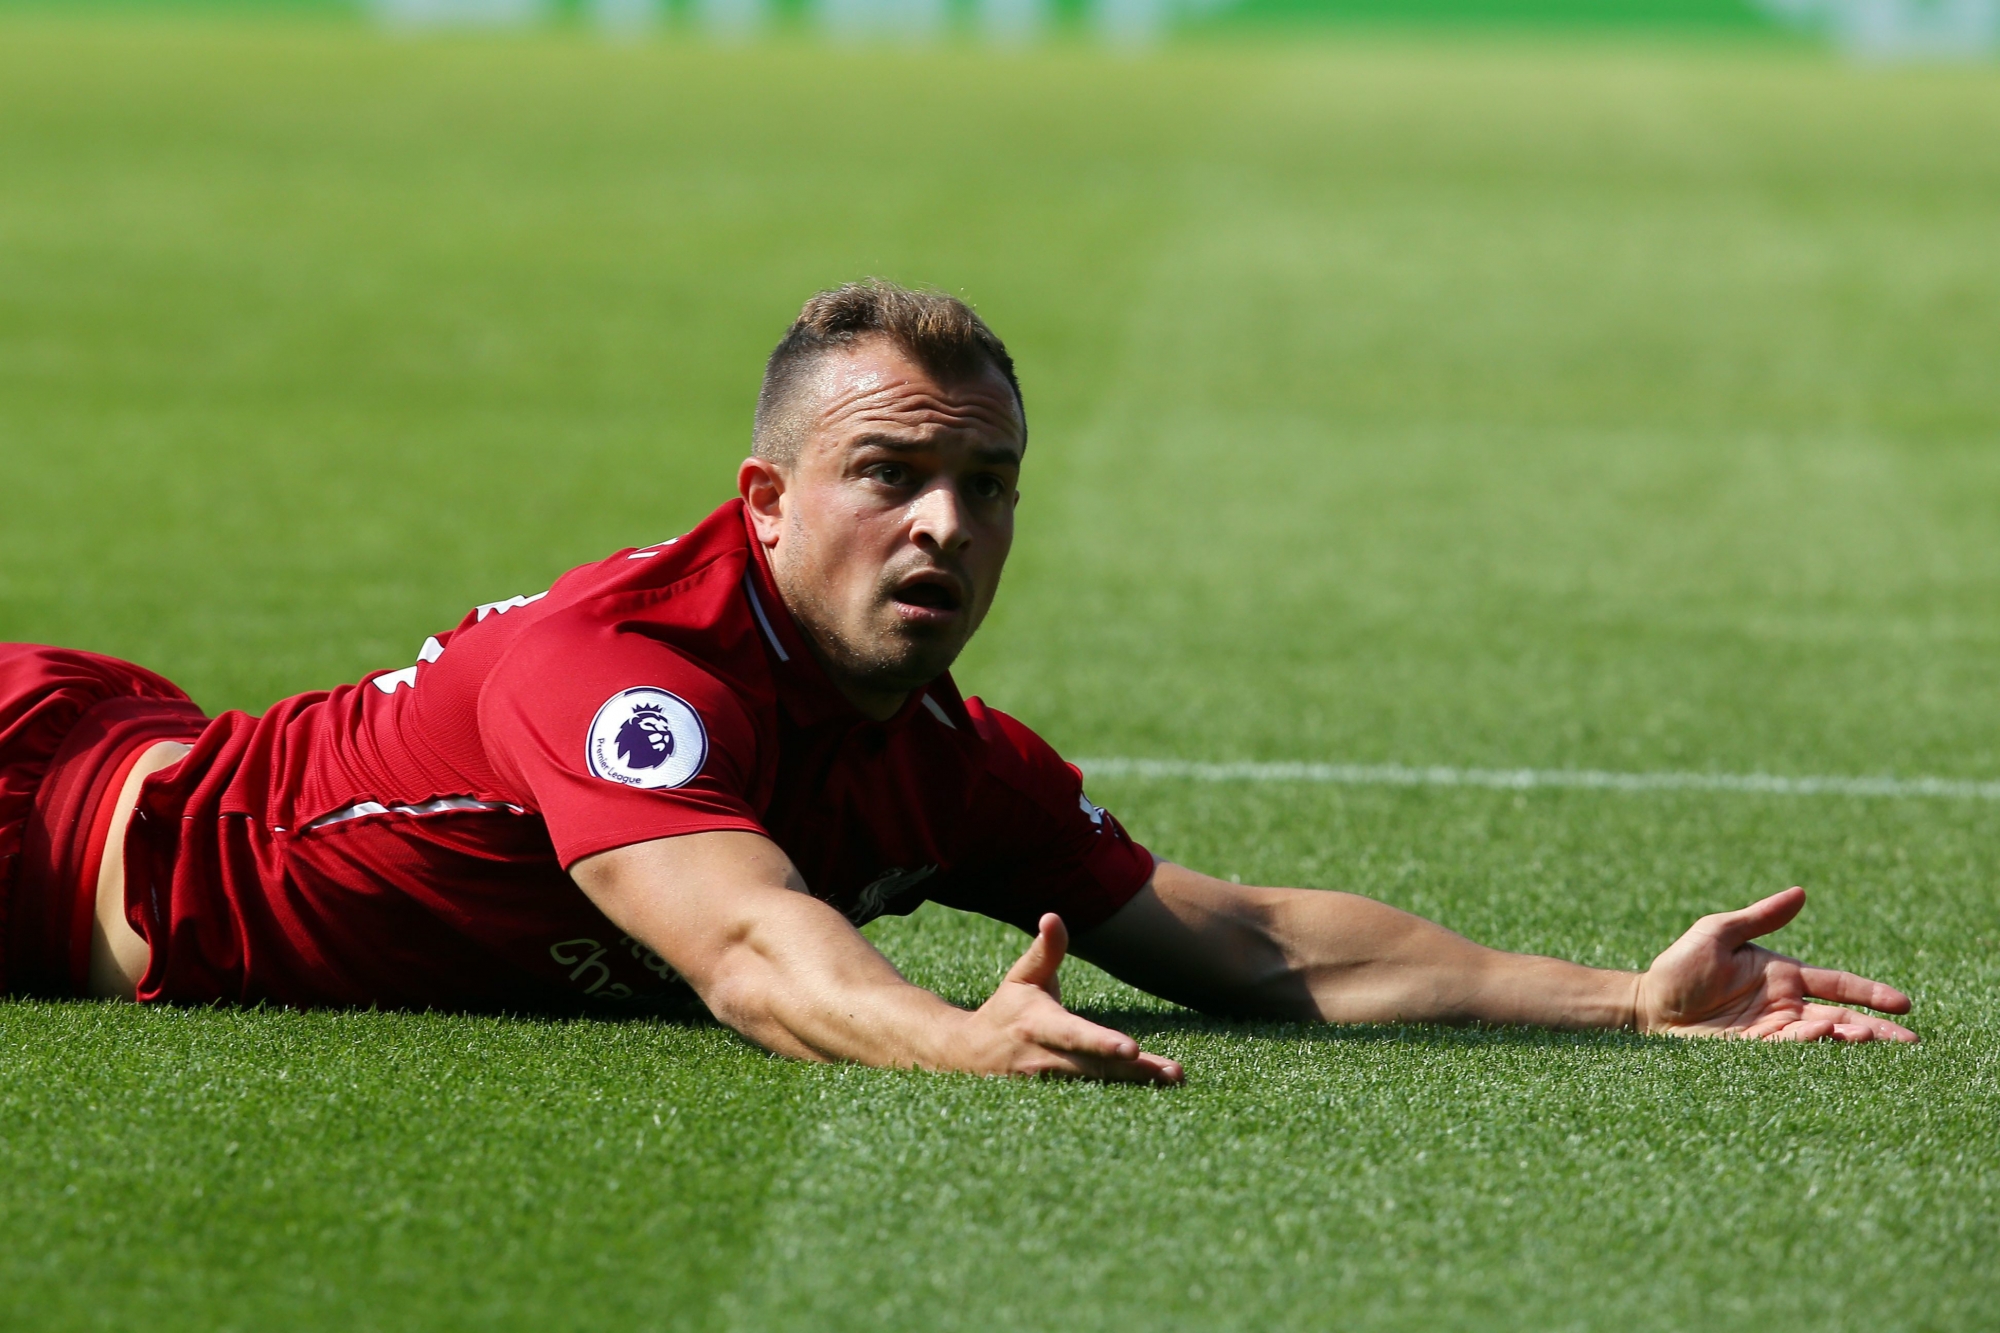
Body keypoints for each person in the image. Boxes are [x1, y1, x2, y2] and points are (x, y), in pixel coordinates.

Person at [0, 281, 1915, 1082]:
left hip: (134, 729)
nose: (940, 528)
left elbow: (1248, 943)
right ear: (765, 502)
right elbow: (754, 954)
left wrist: (1625, 1003)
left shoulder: (942, 759)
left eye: (982, 487)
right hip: (46, 821)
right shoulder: (622, 673)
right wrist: (945, 1031)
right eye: (886, 476)